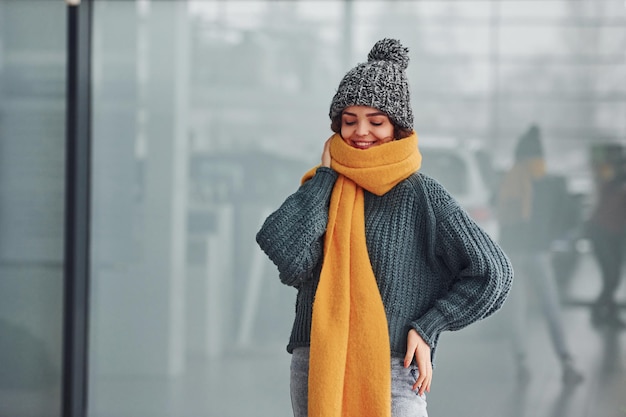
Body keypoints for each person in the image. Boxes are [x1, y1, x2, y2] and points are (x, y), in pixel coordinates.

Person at [256, 38, 513, 417]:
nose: (361, 132)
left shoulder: (422, 195)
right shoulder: (321, 187)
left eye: (376, 121)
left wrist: (429, 327)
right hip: (316, 363)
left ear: (398, 127)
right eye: (349, 121)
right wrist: (327, 177)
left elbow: (493, 273)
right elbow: (290, 257)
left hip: (394, 369)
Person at [497, 125, 584, 385]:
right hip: (538, 251)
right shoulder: (549, 182)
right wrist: (553, 237)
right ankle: (566, 361)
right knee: (550, 306)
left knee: (517, 309)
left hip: (513, 252)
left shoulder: (510, 178)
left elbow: (501, 215)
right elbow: (571, 214)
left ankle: (521, 362)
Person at [587, 146, 626, 328]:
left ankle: (610, 313)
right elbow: (601, 174)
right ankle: (597, 311)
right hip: (601, 231)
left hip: (616, 234)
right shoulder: (607, 176)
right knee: (611, 276)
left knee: (615, 276)